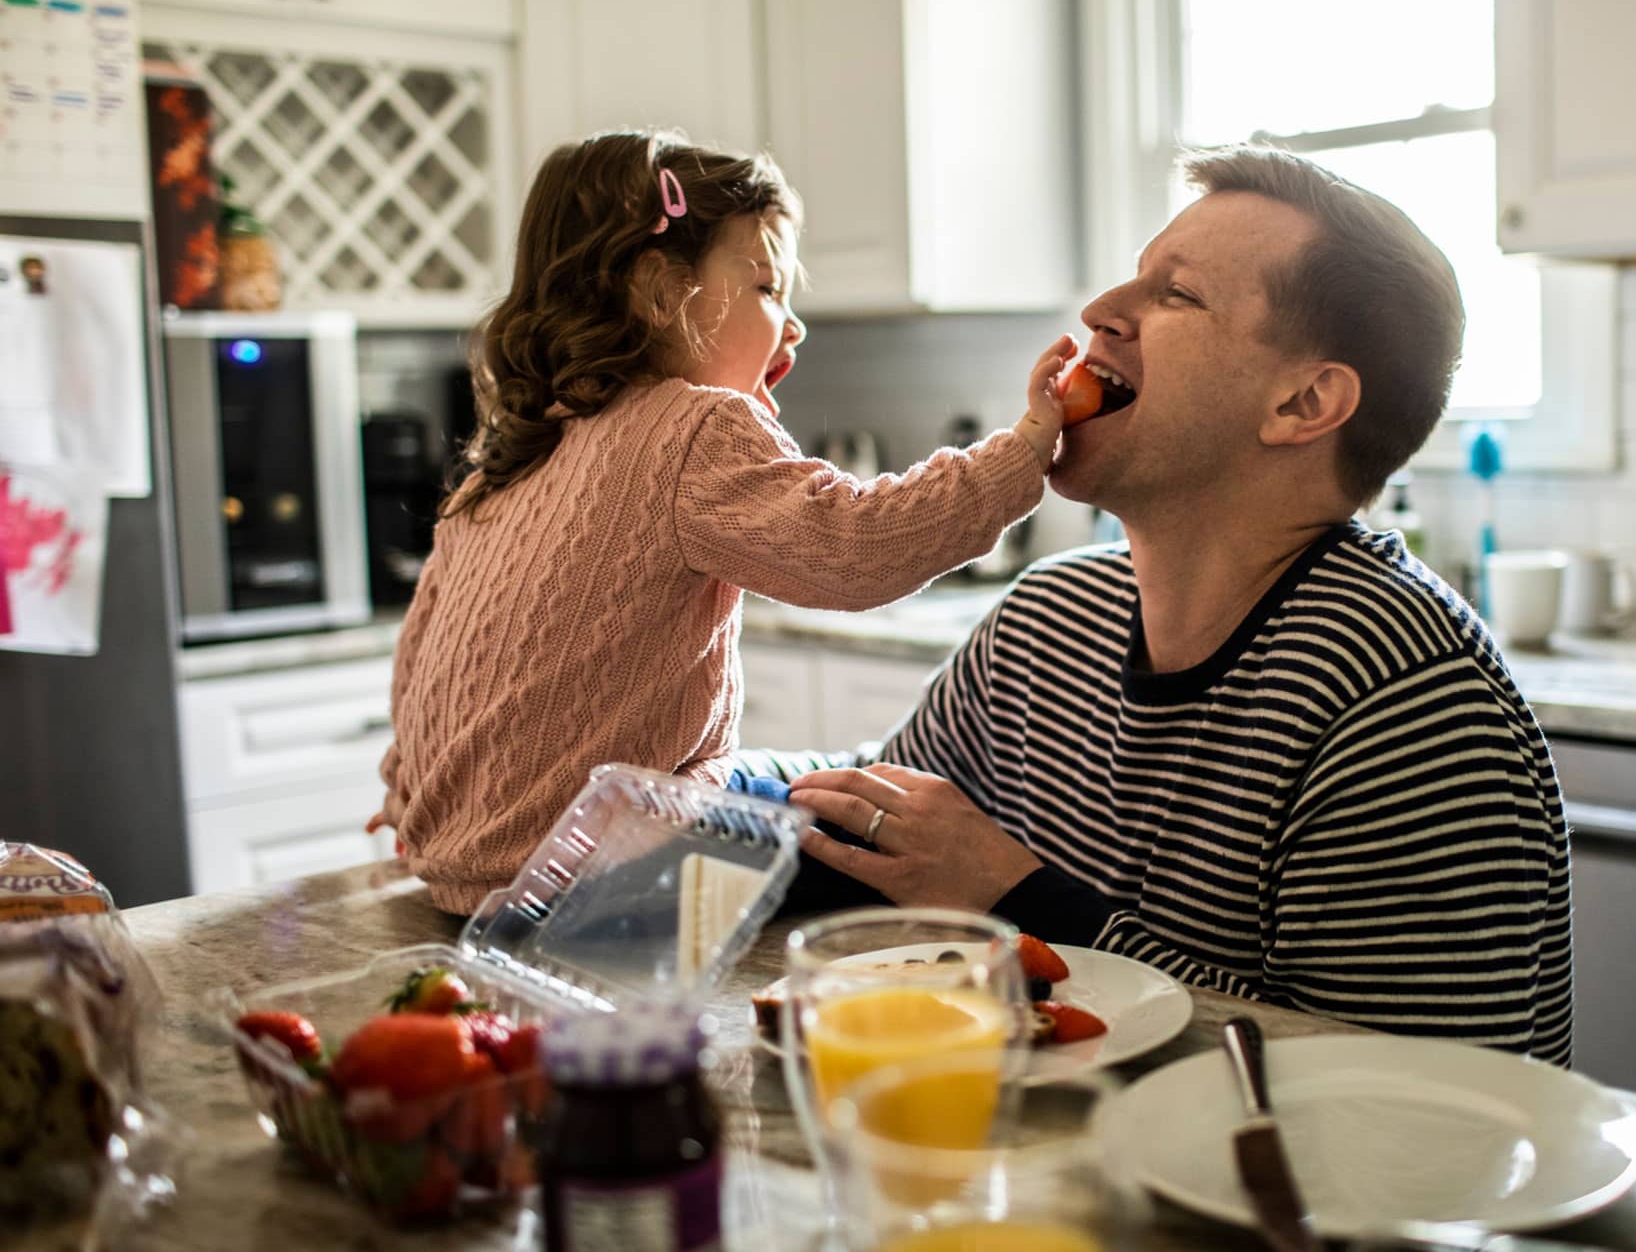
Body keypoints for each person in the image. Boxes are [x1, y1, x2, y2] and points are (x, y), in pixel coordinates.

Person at [747, 146, 1572, 1063]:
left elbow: (1389, 1092)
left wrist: (1015, 896)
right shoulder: (1052, 617)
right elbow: (881, 817)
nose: (1101, 311)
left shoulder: (1407, 703)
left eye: (1176, 294)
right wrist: (677, 785)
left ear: (1303, 402)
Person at [375, 130, 1071, 914]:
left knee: (801, 780)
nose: (793, 325)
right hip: (614, 869)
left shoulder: (496, 473)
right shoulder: (691, 429)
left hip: (465, 878)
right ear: (658, 289)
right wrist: (1022, 452)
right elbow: (855, 547)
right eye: (767, 288)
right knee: (894, 835)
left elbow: (419, 671)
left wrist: (410, 794)